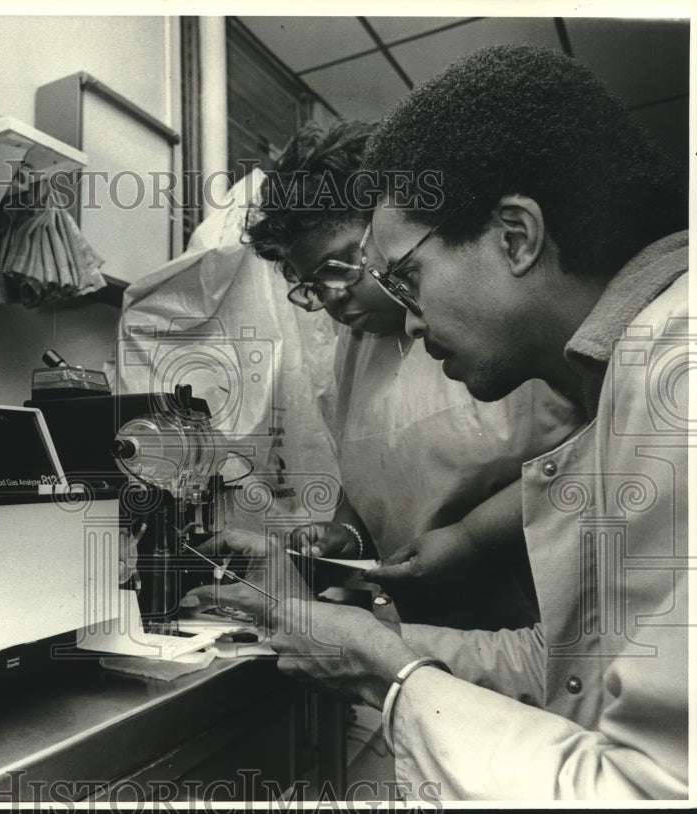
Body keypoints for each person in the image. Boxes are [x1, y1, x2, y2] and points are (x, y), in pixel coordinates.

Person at [196, 44, 688, 800]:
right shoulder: (628, 369)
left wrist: (388, 666)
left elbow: (647, 787)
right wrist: (363, 643)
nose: (415, 327)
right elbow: (569, 672)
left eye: (406, 276)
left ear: (515, 238)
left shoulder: (671, 378)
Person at [243, 120, 581, 630]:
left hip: (542, 612)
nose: (331, 297)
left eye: (339, 266)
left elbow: (591, 454)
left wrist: (474, 537)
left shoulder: (496, 315)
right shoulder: (355, 346)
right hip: (431, 631)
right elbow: (370, 466)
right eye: (311, 283)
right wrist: (347, 534)